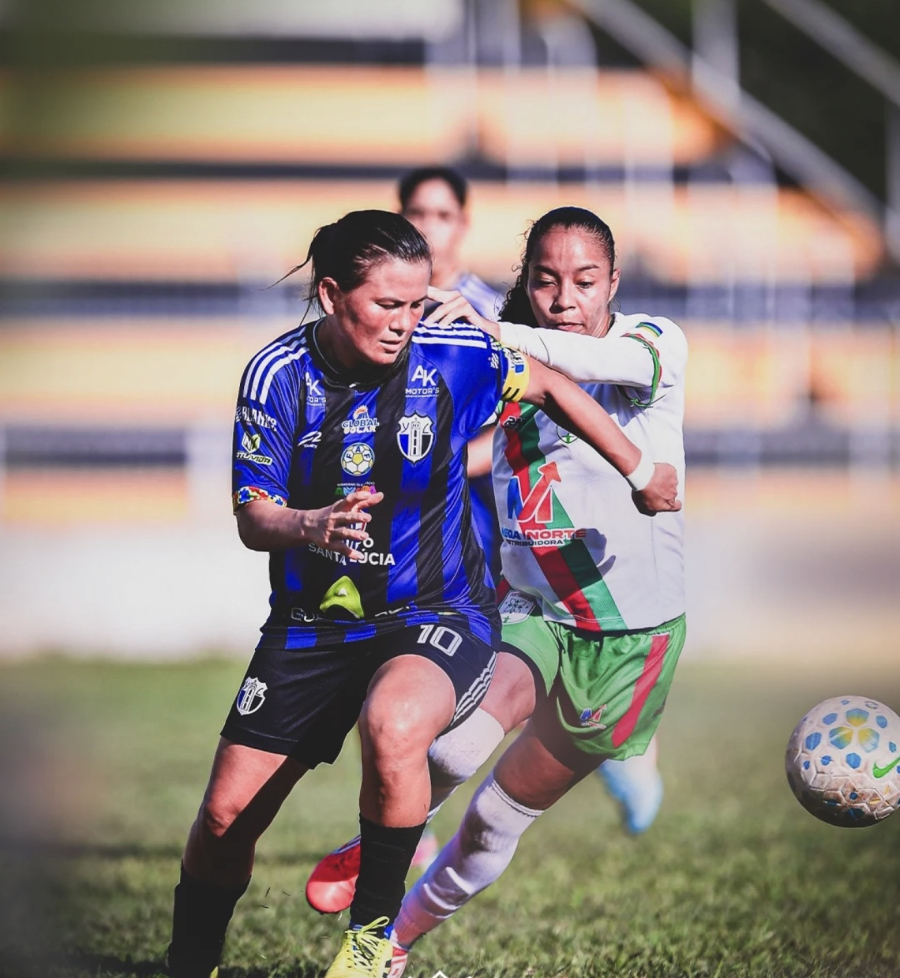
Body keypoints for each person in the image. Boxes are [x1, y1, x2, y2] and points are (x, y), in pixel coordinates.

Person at [164, 208, 680, 978]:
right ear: (332, 295)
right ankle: (189, 962)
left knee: (396, 723)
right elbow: (253, 517)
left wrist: (638, 470)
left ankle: (372, 943)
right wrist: (309, 523)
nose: (406, 322)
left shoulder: (452, 351)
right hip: (310, 625)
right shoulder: (278, 375)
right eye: (387, 304)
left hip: (436, 610)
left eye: (416, 302)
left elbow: (547, 383)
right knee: (223, 817)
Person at [402, 169, 665, 836]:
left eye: (441, 214)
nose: (428, 228)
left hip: (496, 526)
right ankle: (403, 829)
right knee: (397, 675)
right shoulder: (389, 311)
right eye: (415, 214)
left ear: (463, 225)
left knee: (531, 669)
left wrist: (437, 463)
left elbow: (531, 414)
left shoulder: (493, 315)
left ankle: (613, 745)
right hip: (420, 527)